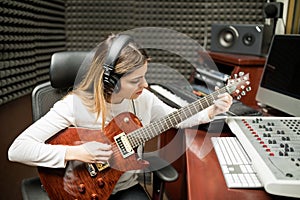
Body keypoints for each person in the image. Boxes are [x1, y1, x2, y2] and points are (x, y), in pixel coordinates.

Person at [8, 34, 233, 200]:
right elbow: (18, 149)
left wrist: (211, 111)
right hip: (82, 189)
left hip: (125, 187)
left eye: (145, 77)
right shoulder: (74, 106)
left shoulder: (144, 98)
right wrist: (76, 152)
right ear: (110, 82)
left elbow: (175, 118)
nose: (144, 85)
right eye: (136, 80)